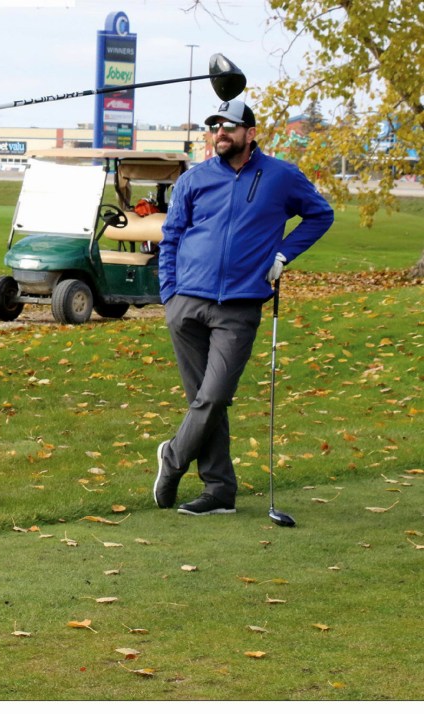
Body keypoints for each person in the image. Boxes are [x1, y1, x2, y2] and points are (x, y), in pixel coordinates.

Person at [154, 99, 334, 516]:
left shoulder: (281, 176)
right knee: (201, 399)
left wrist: (284, 255)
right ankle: (219, 492)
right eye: (216, 126)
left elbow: (320, 215)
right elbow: (172, 236)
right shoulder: (195, 179)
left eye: (230, 127)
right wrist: (169, 297)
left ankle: (173, 458)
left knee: (214, 397)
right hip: (187, 303)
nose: (221, 133)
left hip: (240, 305)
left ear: (250, 134)